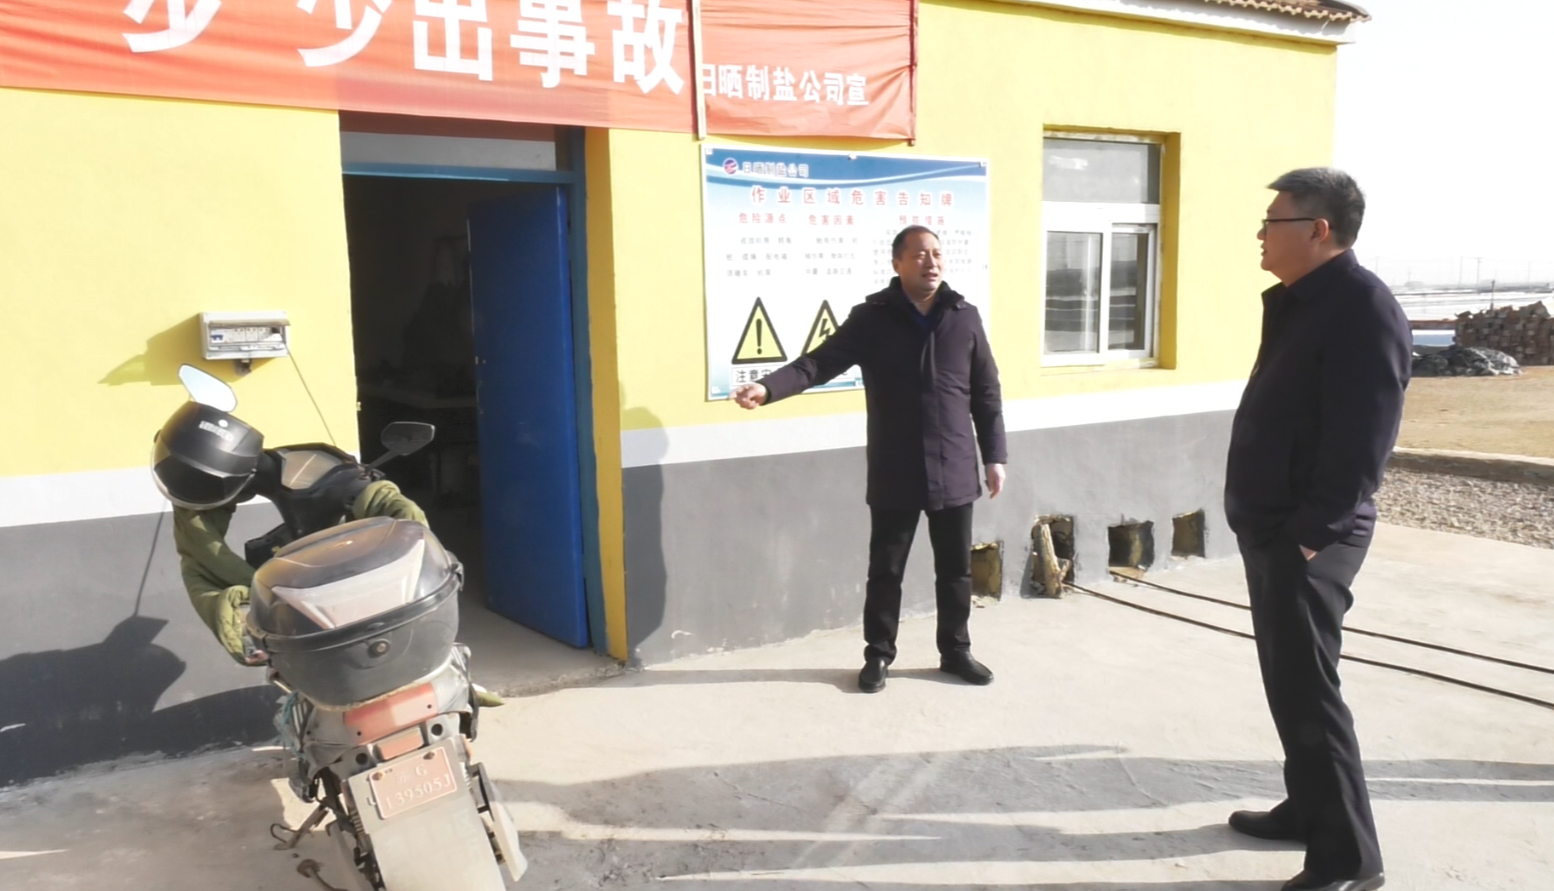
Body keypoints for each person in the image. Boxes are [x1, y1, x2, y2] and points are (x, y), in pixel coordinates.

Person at [1224, 168, 1408, 891]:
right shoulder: (1304, 302)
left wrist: (1311, 533)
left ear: (1318, 230)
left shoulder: (1363, 308)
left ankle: (1348, 858)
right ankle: (1308, 808)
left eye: (1273, 222)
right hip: (1277, 525)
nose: (1261, 234)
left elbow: (1365, 439)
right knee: (1289, 682)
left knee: (1311, 693)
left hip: (1310, 535)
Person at [732, 225, 1007, 693]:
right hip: (896, 465)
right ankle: (879, 654)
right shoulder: (873, 318)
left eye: (937, 253)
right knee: (886, 571)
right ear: (897, 263)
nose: (931, 262)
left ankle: (955, 651)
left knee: (955, 570)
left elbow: (986, 391)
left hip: (955, 465)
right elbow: (818, 363)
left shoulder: (964, 317)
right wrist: (767, 387)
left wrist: (994, 456)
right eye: (919, 255)